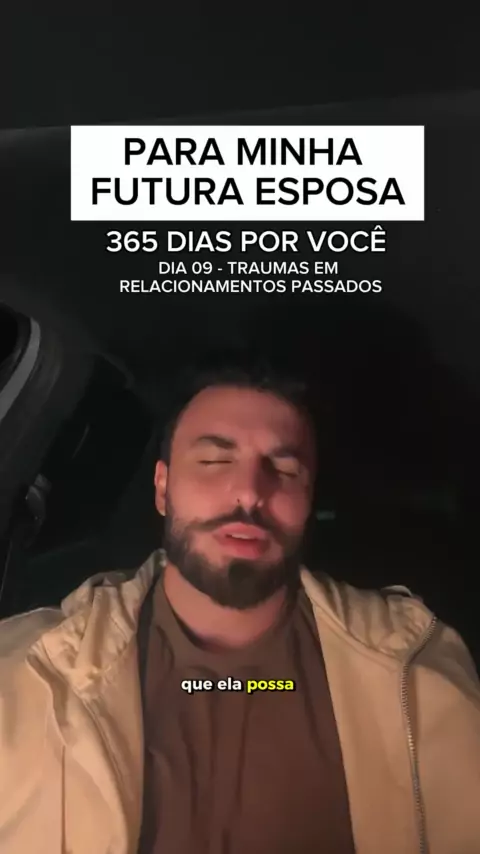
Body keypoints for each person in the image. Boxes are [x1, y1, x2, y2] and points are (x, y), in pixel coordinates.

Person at [0, 353, 479, 854]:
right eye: (214, 461)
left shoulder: (419, 671)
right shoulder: (23, 673)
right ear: (162, 488)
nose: (249, 492)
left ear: (309, 501)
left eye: (284, 469)